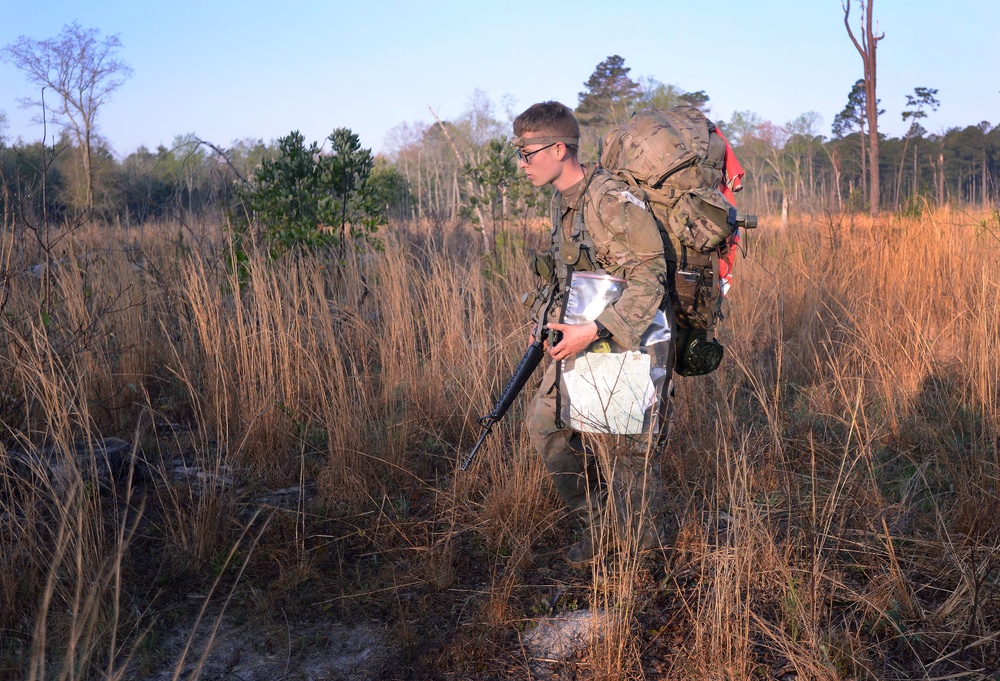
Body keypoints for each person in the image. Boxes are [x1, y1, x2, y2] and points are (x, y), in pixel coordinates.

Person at [512, 101, 672, 567]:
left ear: (558, 148)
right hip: (580, 333)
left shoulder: (609, 200)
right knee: (546, 426)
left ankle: (643, 560)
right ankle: (601, 527)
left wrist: (597, 330)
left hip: (627, 341)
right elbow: (569, 276)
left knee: (625, 454)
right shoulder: (565, 200)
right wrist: (545, 320)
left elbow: (651, 278)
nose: (522, 164)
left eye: (527, 153)